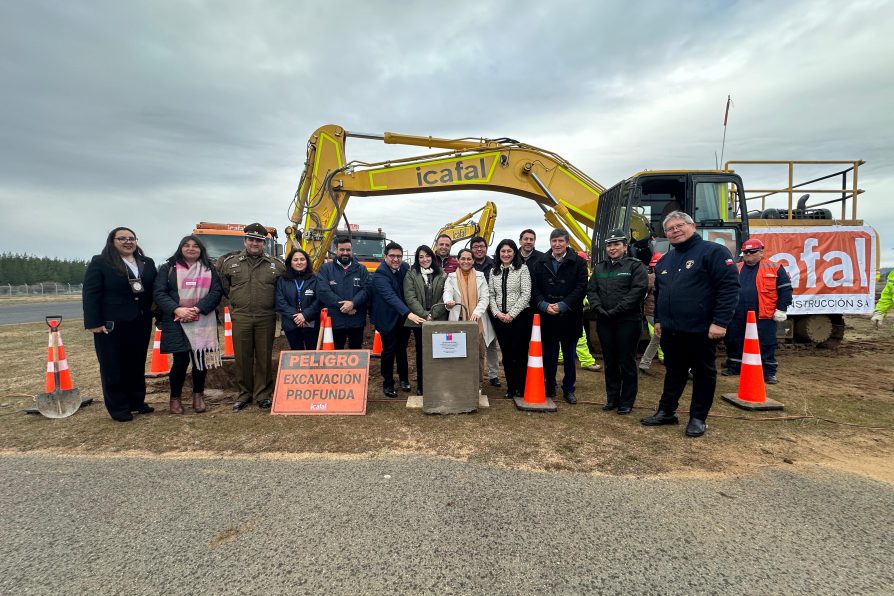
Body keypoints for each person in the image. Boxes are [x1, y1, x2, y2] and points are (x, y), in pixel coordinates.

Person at [641, 212, 739, 437]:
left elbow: (729, 287)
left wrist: (720, 322)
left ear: (692, 226)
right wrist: (658, 320)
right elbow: (661, 293)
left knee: (703, 373)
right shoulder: (666, 259)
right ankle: (667, 412)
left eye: (679, 226)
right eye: (669, 229)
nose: (675, 231)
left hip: (702, 329)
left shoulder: (713, 252)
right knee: (674, 372)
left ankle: (698, 418)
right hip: (672, 330)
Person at [83, 227, 158, 422]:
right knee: (112, 366)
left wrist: (158, 315)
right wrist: (94, 322)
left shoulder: (147, 263)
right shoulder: (101, 262)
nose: (127, 242)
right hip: (112, 323)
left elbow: (154, 292)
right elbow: (91, 294)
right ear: (112, 241)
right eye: (122, 238)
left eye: (131, 238)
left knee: (136, 363)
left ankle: (136, 402)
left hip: (140, 321)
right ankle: (118, 407)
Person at [154, 235, 224, 414]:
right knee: (180, 361)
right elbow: (160, 293)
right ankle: (175, 399)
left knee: (200, 361)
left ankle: (198, 396)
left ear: (201, 250)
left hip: (202, 320)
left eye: (195, 246)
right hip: (177, 320)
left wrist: (197, 309)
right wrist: (178, 310)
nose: (191, 249)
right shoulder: (169, 268)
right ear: (180, 248)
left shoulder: (210, 269)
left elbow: (216, 292)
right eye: (187, 246)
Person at [218, 223, 285, 411]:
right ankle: (244, 394)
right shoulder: (230, 263)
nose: (255, 243)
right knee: (242, 357)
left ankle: (263, 394)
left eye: (259, 241)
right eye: (251, 240)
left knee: (264, 357)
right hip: (242, 317)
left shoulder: (276, 265)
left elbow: (281, 290)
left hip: (266, 317)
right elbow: (225, 288)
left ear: (264, 243)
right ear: (245, 241)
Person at [586, 229, 649, 414]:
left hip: (627, 321)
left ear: (625, 246)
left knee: (626, 361)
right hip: (605, 320)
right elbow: (592, 291)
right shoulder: (599, 268)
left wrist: (616, 311)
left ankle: (626, 401)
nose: (612, 248)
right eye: (609, 245)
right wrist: (599, 309)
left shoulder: (635, 267)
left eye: (616, 244)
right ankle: (612, 398)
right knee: (610, 361)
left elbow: (637, 292)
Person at [722, 238, 792, 384]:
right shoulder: (736, 267)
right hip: (737, 313)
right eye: (745, 252)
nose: (748, 254)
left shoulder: (774, 267)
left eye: (752, 251)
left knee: (766, 342)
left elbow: (785, 289)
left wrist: (781, 309)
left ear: (761, 252)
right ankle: (734, 366)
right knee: (734, 339)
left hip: (763, 313)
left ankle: (769, 372)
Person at [530, 229, 588, 404]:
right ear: (550, 243)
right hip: (547, 316)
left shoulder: (578, 262)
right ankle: (550, 385)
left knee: (570, 356)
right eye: (554, 241)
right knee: (549, 355)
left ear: (567, 243)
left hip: (569, 315)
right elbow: (534, 287)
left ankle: (569, 389)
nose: (557, 244)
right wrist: (543, 305)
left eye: (560, 241)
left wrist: (563, 305)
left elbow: (581, 287)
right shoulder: (540, 262)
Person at [371, 242, 426, 398]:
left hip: (403, 319)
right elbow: (390, 297)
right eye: (392, 256)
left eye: (399, 256)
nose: (396, 259)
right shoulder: (380, 274)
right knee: (388, 351)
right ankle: (388, 382)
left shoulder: (405, 268)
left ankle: (404, 379)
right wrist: (409, 313)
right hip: (387, 318)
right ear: (385, 256)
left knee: (402, 349)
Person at [444, 248, 496, 386]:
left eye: (469, 259)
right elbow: (447, 293)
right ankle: (460, 382)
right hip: (459, 321)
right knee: (457, 353)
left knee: (478, 354)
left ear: (473, 261)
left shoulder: (480, 276)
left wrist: (476, 313)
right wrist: (448, 302)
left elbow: (485, 297)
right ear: (458, 260)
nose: (466, 261)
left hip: (476, 322)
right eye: (463, 258)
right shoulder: (451, 277)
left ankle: (477, 383)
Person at [488, 239, 531, 398]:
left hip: (519, 318)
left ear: (514, 253)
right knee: (506, 355)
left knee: (519, 353)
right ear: (499, 253)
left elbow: (526, 294)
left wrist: (512, 314)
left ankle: (521, 386)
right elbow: (491, 294)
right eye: (503, 251)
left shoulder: (522, 269)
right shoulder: (494, 272)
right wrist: (497, 313)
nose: (506, 254)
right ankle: (511, 388)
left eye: (509, 251)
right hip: (500, 318)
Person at [403, 245, 449, 395]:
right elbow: (410, 297)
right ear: (417, 259)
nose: (425, 259)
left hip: (438, 319)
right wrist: (424, 315)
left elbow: (446, 295)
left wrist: (433, 314)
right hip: (419, 321)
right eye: (421, 257)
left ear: (432, 257)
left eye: (427, 256)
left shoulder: (441, 274)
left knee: (439, 352)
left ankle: (438, 382)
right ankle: (422, 384)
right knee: (421, 352)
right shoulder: (411, 274)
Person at [316, 236, 370, 349]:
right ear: (336, 251)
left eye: (348, 250)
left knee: (355, 352)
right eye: (342, 250)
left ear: (352, 250)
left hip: (356, 319)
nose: (345, 253)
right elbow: (323, 291)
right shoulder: (326, 269)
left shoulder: (361, 269)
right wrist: (345, 306)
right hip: (335, 320)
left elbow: (367, 290)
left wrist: (353, 303)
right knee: (336, 353)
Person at [276, 248, 321, 350]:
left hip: (311, 323)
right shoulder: (283, 280)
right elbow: (280, 301)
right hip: (291, 323)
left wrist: (305, 315)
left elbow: (319, 300)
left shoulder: (315, 279)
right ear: (290, 263)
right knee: (296, 354)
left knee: (312, 354)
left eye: (302, 259)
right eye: (295, 260)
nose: (299, 262)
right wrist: (297, 316)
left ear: (307, 262)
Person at [470, 235, 501, 388]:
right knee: (474, 343)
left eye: (481, 246)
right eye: (475, 247)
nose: (479, 249)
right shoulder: (467, 264)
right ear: (471, 250)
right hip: (473, 310)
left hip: (491, 309)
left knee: (491, 343)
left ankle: (494, 374)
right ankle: (474, 373)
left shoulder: (494, 264)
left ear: (486, 248)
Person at [638, 252, 664, 373]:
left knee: (656, 338)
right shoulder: (651, 278)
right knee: (670, 337)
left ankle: (644, 363)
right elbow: (642, 295)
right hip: (653, 314)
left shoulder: (652, 277)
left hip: (655, 314)